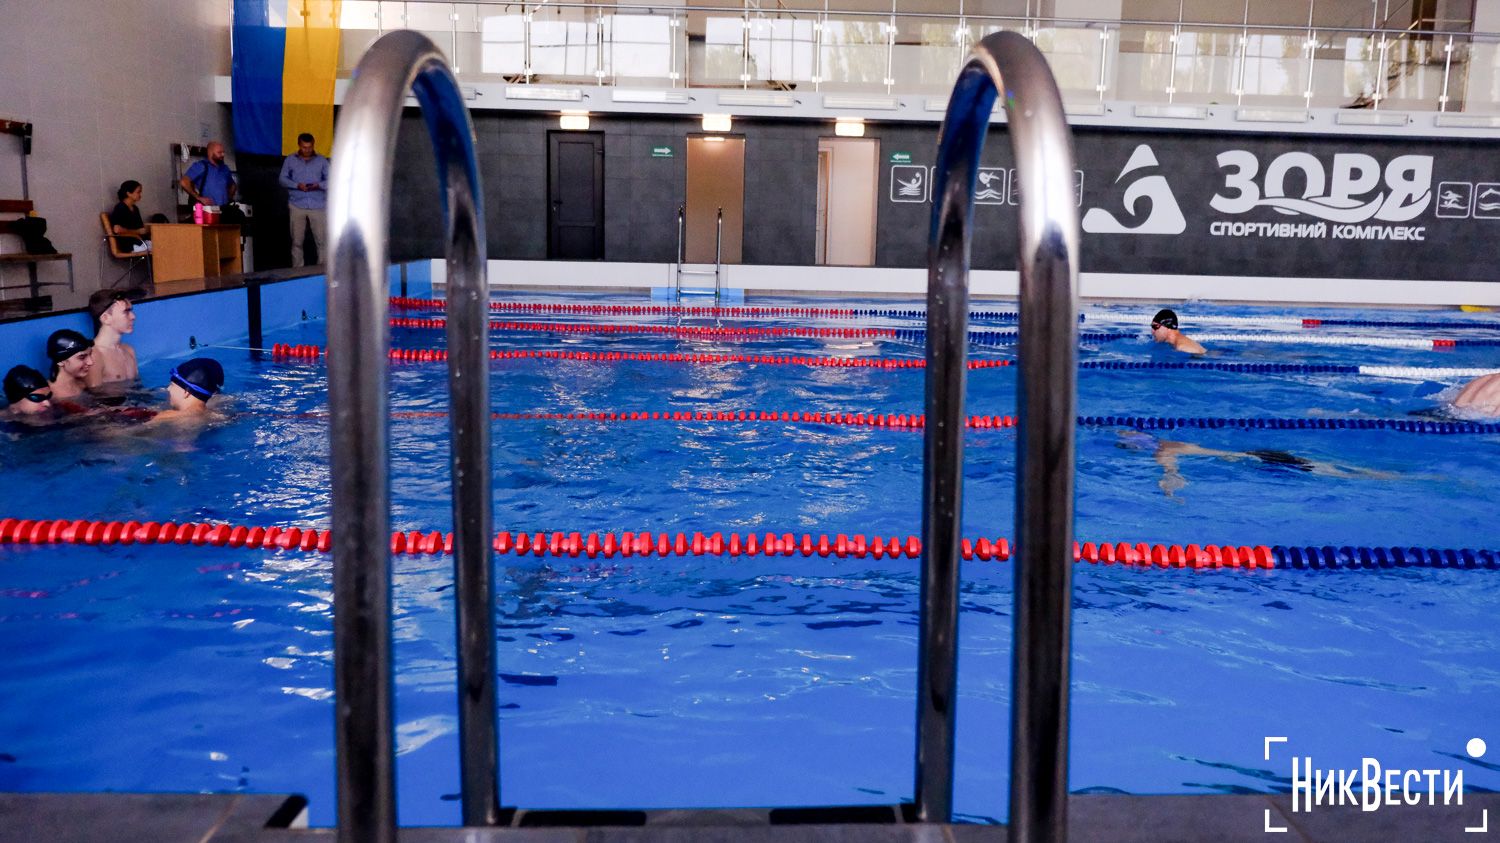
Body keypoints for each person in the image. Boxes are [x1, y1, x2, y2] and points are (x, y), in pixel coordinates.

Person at [1117, 430, 1393, 497]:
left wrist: (1170, 487)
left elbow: (1171, 473)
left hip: (1257, 461)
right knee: (1326, 466)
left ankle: (1384, 478)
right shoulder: (1171, 442)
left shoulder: (1162, 452)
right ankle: (1379, 474)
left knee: (1330, 474)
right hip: (1257, 452)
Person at [279, 132, 329, 267]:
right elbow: (282, 179)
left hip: (318, 205)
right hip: (297, 205)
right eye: (304, 147)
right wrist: (296, 185)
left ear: (313, 145)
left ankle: (321, 271)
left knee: (322, 241)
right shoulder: (290, 160)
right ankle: (297, 271)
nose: (307, 150)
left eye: (310, 147)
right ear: (299, 145)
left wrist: (319, 185)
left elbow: (332, 180)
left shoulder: (322, 161)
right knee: (297, 241)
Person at [86, 289, 140, 387]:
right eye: (126, 312)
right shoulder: (94, 356)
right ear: (106, 318)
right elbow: (94, 398)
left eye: (131, 311)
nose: (133, 316)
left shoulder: (129, 350)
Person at [152, 357, 224, 422]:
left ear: (186, 392)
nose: (168, 389)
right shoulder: (215, 415)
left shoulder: (167, 417)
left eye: (172, 385)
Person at [180, 141, 237, 209]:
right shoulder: (201, 166)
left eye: (223, 152)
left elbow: (233, 185)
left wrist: (229, 198)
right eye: (219, 152)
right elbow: (184, 182)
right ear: (210, 153)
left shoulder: (225, 168)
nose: (222, 155)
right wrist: (198, 197)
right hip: (208, 211)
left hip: (224, 210)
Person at [46, 329, 94, 401]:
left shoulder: (82, 385)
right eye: (82, 357)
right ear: (60, 361)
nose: (91, 362)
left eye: (90, 355)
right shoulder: (49, 393)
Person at [109, 180, 151, 253]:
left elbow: (140, 227)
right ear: (129, 193)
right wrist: (137, 232)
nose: (140, 195)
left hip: (140, 241)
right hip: (130, 244)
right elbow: (117, 230)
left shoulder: (135, 209)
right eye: (138, 192)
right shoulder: (120, 208)